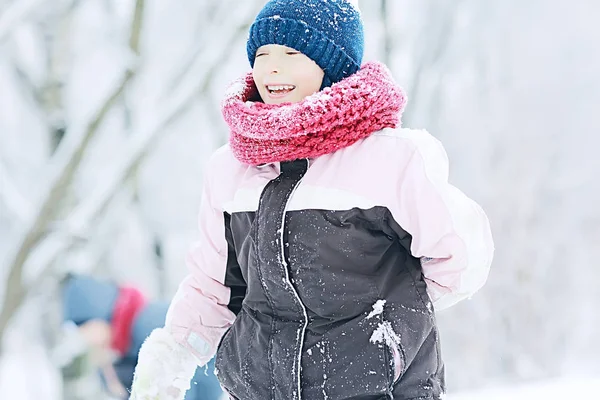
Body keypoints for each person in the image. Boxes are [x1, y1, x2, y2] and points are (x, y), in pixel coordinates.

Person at [129, 1, 495, 399]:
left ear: (333, 66)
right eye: (262, 54)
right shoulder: (229, 171)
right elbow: (214, 285)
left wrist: (391, 324)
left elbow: (459, 258)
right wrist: (173, 353)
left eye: (291, 54)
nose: (272, 68)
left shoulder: (390, 159)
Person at [59, 274, 223, 399]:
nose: (89, 341)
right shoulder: (133, 337)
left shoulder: (149, 325)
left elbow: (177, 390)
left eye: (87, 330)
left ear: (98, 315)